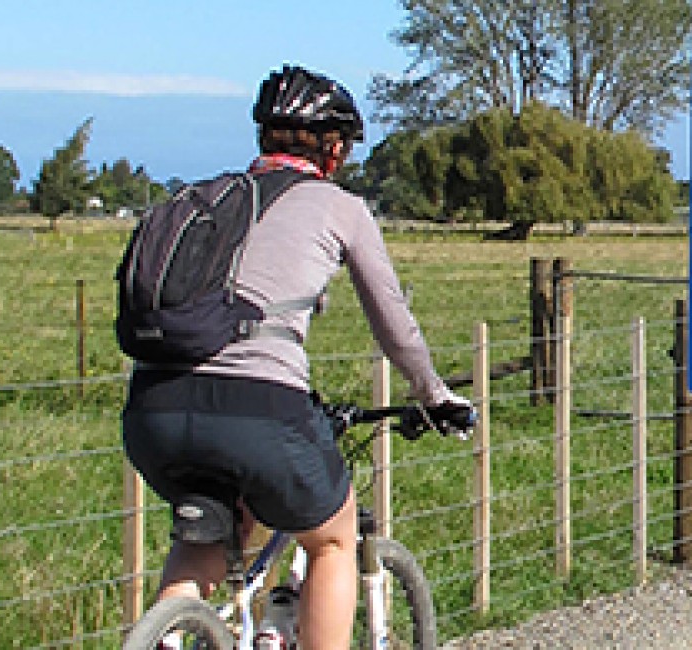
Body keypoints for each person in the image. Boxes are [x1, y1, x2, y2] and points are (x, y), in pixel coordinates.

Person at [122, 64, 471, 650]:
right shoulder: (339, 208)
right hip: (259, 412)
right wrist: (434, 394)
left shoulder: (204, 199)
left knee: (216, 532)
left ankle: (170, 627)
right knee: (332, 539)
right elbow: (393, 320)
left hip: (152, 413)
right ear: (333, 151)